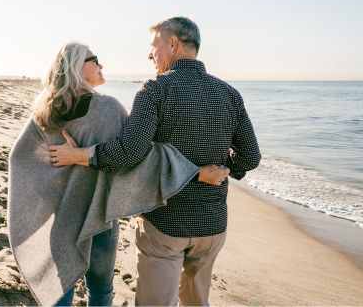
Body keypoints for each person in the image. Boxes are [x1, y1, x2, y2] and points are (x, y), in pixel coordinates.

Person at [48, 17, 261, 306]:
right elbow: (251, 157)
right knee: (197, 302)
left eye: (154, 46)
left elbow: (130, 152)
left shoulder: (155, 90)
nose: (150, 54)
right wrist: (226, 170)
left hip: (166, 224)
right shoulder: (229, 94)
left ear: (172, 43)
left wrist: (82, 155)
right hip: (212, 224)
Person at [7, 41, 229, 306]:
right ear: (76, 67)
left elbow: (20, 160)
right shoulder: (108, 108)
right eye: (94, 59)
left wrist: (55, 185)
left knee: (60, 288)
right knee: (100, 289)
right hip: (100, 215)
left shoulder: (44, 112)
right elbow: (142, 157)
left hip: (62, 217)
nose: (101, 65)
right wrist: (196, 173)